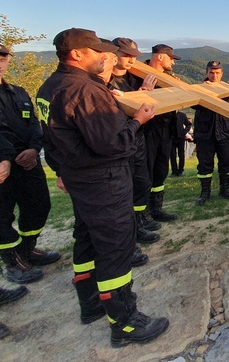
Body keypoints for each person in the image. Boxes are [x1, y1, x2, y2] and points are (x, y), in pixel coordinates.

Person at [36, 28, 168, 346]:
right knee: (116, 247)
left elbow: (50, 139)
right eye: (96, 51)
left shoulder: (48, 88)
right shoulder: (85, 90)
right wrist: (138, 120)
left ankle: (91, 304)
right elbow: (114, 144)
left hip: (80, 179)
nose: (103, 56)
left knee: (86, 239)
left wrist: (61, 171)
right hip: (104, 180)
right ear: (76, 54)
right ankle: (124, 322)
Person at [0, 44, 60, 284]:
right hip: (3, 166)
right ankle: (11, 263)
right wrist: (7, 155)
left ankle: (27, 249)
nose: (1, 61)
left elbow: (35, 123)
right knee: (2, 216)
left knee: (39, 205)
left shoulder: (19, 92)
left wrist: (35, 148)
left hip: (29, 161)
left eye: (3, 57)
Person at [109, 37, 161, 246]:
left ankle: (139, 221)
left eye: (134, 56)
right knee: (122, 189)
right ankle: (127, 230)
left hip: (137, 138)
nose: (131, 60)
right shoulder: (105, 80)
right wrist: (137, 98)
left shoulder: (136, 78)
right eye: (126, 55)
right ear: (113, 54)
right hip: (116, 143)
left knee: (141, 182)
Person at [142, 44, 181, 222]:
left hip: (166, 129)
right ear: (159, 57)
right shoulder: (139, 74)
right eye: (171, 58)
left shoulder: (169, 78)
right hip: (147, 130)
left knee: (160, 170)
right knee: (145, 172)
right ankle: (142, 215)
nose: (173, 61)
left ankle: (156, 209)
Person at [194, 61, 229, 204]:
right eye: (211, 72)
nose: (214, 75)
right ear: (206, 73)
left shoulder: (228, 89)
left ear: (222, 74)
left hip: (224, 131)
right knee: (205, 164)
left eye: (217, 73)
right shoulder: (199, 88)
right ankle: (205, 192)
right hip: (205, 132)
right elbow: (193, 105)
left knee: (226, 161)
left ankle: (225, 188)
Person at [170, 111, 192, 176]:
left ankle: (181, 170)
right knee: (172, 155)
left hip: (180, 138)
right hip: (171, 138)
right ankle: (174, 171)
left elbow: (188, 124)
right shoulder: (169, 115)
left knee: (181, 154)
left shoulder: (182, 115)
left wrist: (184, 132)